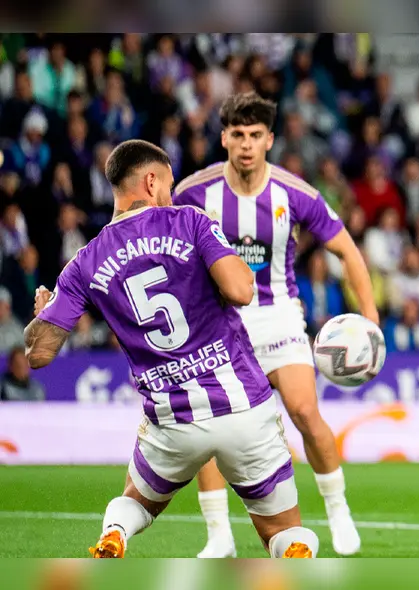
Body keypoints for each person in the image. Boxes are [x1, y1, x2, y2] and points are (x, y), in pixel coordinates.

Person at [25, 139, 318, 558]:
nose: (171, 194)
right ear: (149, 180)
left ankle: (116, 532)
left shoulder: (84, 262)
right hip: (242, 406)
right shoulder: (190, 221)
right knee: (281, 528)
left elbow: (38, 353)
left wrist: (42, 313)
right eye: (167, 184)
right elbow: (240, 290)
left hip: (172, 420)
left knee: (135, 499)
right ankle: (293, 552)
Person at [173, 93, 379, 558]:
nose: (246, 145)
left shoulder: (296, 193)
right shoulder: (193, 192)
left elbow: (347, 250)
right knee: (210, 426)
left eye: (255, 136)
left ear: (270, 140)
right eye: (238, 135)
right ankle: (219, 535)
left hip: (279, 315)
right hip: (218, 322)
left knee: (305, 412)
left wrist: (371, 315)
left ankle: (337, 510)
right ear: (224, 138)